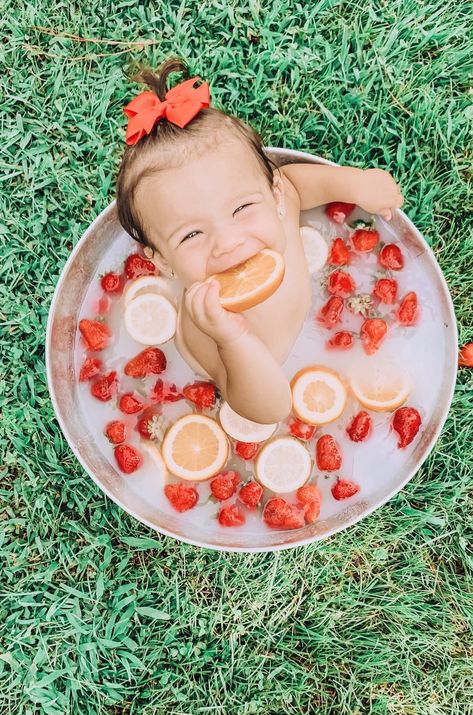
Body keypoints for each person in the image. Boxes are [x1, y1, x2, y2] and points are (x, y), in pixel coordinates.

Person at [116, 58, 404, 424]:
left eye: (241, 208)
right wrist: (234, 339)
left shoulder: (283, 205)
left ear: (275, 194)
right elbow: (267, 410)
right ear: (162, 261)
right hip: (248, 374)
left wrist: (354, 184)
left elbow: (297, 183)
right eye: (191, 234)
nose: (228, 242)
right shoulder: (212, 324)